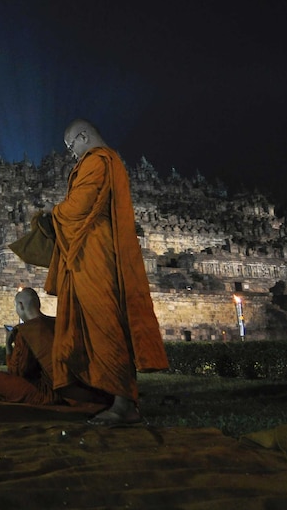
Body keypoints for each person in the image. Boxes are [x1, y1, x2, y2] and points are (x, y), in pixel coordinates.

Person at [46, 119, 169, 426]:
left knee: (105, 321)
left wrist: (53, 214)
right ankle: (107, 393)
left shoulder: (98, 161)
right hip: (90, 251)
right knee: (91, 322)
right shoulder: (106, 162)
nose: (71, 153)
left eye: (71, 145)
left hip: (95, 252)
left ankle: (124, 402)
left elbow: (79, 206)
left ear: (83, 136)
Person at [0, 288, 111, 406]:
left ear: (20, 306)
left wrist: (8, 346)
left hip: (48, 392)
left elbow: (17, 372)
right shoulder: (57, 323)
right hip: (77, 387)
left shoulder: (26, 331)